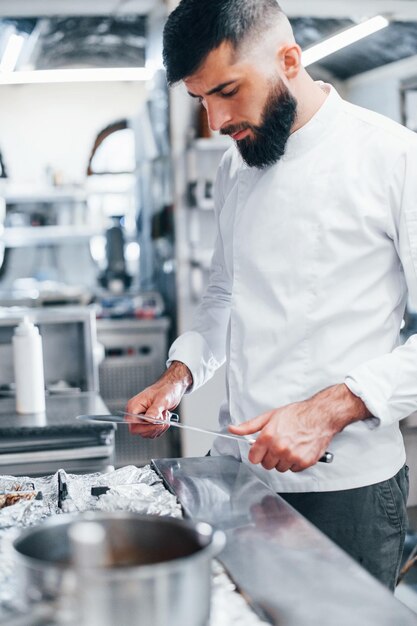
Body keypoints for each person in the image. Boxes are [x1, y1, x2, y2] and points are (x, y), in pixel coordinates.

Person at [126, 0, 416, 590]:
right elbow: (225, 294)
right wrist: (179, 374)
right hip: (246, 479)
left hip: (348, 492)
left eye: (228, 91)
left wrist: (328, 408)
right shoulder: (236, 166)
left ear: (289, 60)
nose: (215, 120)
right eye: (201, 99)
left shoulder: (393, 157)